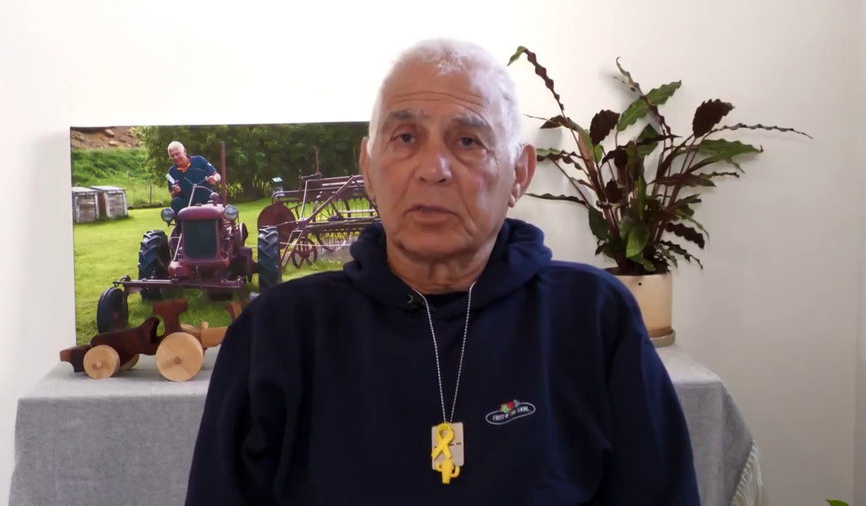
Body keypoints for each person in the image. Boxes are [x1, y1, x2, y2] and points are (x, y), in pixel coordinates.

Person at [186, 39, 700, 505]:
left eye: (468, 141)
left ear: (519, 172)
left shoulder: (592, 318)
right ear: (368, 168)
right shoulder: (278, 332)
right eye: (406, 137)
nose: (433, 169)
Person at [166, 140, 221, 214]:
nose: (175, 157)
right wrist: (175, 191)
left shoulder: (199, 160)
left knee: (215, 198)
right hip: (187, 202)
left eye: (177, 154)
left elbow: (217, 175)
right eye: (172, 156)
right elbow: (173, 195)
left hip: (207, 199)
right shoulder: (171, 172)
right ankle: (181, 221)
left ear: (184, 151)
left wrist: (214, 178)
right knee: (175, 202)